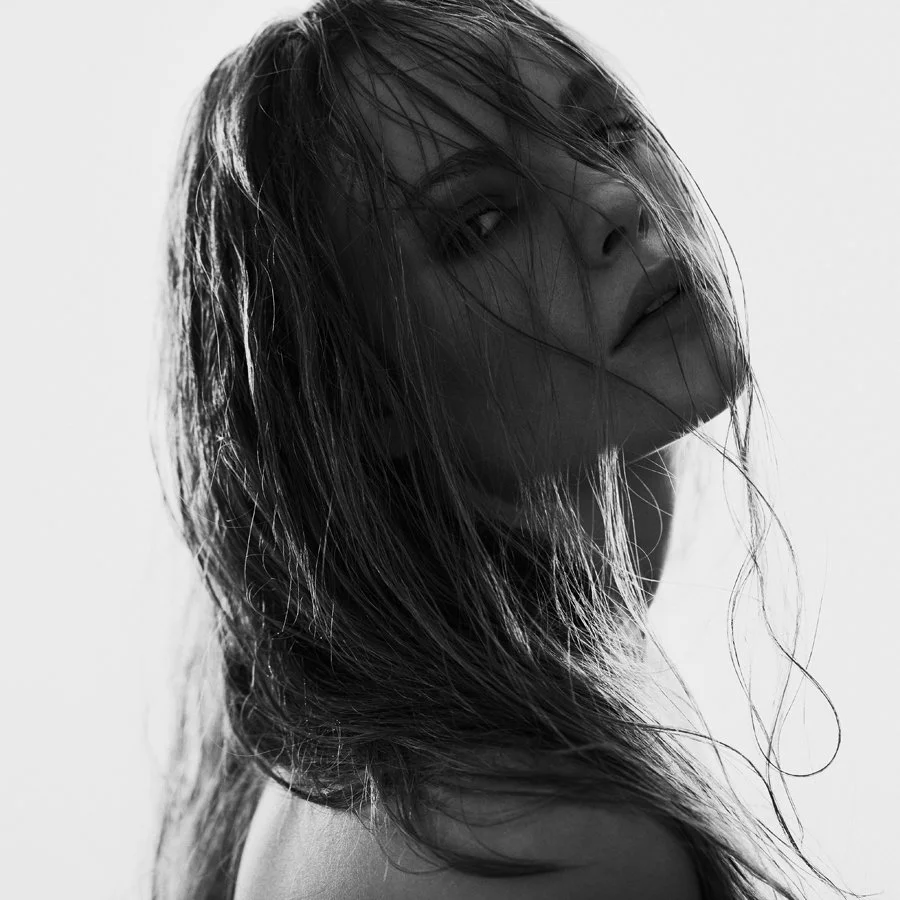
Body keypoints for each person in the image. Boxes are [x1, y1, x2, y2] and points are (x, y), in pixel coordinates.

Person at [150, 1, 855, 898]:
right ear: (366, 395)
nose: (615, 197)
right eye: (482, 222)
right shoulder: (541, 841)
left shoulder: (370, 777)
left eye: (606, 129)